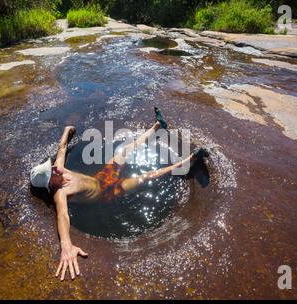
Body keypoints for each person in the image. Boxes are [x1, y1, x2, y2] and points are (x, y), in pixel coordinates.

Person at [29, 108, 209, 281]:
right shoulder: (59, 193)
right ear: (50, 183)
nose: (55, 170)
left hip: (102, 177)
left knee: (125, 150)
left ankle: (158, 125)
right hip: (108, 192)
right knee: (147, 176)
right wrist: (66, 246)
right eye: (51, 173)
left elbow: (61, 149)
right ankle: (191, 159)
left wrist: (67, 131)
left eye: (52, 168)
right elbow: (62, 216)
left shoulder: (58, 169)